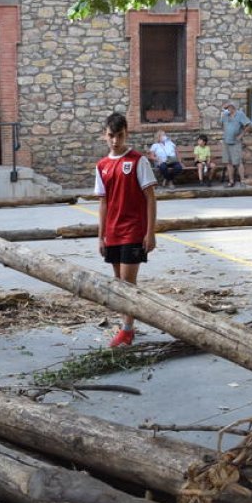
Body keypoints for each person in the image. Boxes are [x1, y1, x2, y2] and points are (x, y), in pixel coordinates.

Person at [96, 112, 158, 347]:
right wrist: (100, 235)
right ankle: (127, 324)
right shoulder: (102, 166)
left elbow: (150, 198)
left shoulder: (137, 161)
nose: (115, 141)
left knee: (127, 284)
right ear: (105, 135)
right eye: (111, 136)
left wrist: (150, 232)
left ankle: (127, 329)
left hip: (133, 231)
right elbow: (103, 202)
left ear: (126, 134)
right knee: (118, 283)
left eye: (119, 136)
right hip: (112, 232)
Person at [219, 102, 251, 187]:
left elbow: (248, 125)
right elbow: (221, 124)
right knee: (228, 162)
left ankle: (242, 181)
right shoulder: (225, 115)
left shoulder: (240, 114)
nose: (227, 110)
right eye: (226, 108)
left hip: (235, 142)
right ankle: (231, 181)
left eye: (228, 108)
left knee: (238, 162)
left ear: (233, 107)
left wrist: (241, 135)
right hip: (226, 141)